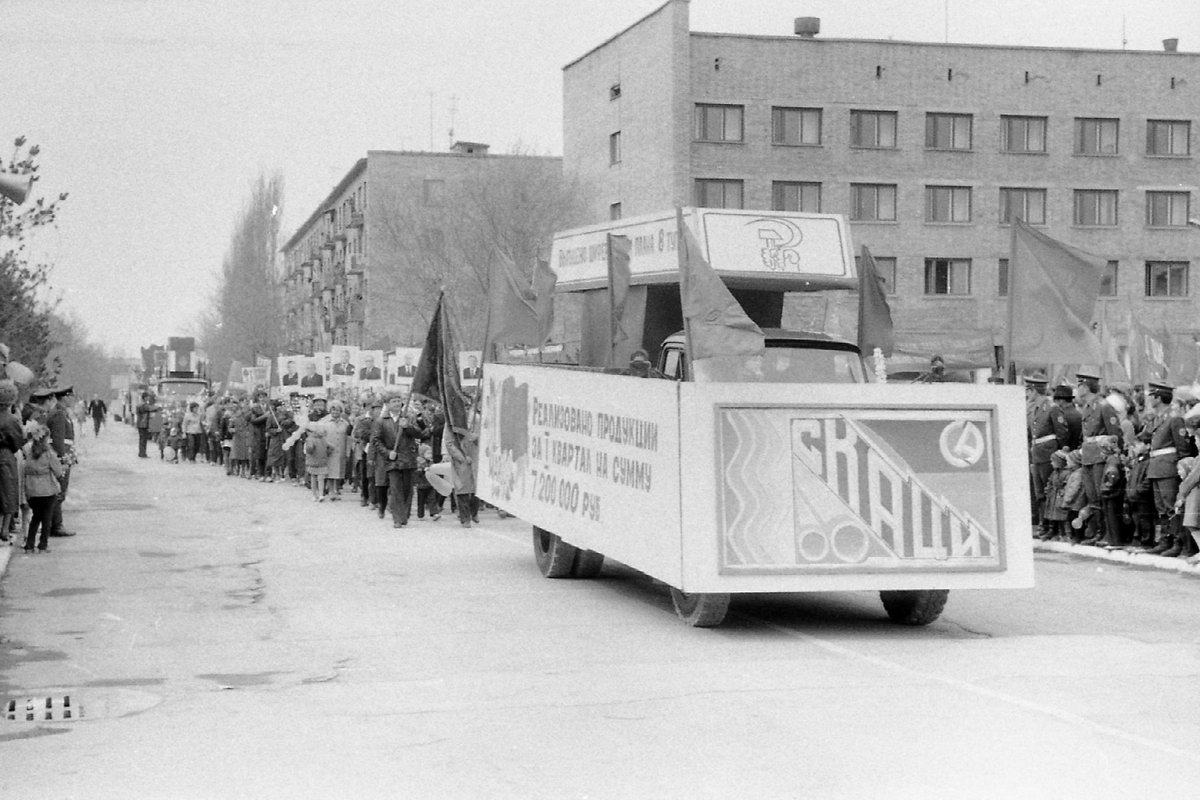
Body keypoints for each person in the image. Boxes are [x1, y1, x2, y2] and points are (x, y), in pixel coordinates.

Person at [1139, 382, 1195, 556]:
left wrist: (1182, 467)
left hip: (1168, 467)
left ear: (1158, 397)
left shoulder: (1174, 417)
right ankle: (1165, 540)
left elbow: (1183, 447)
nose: (1149, 399)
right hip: (1157, 466)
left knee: (1171, 506)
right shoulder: (1158, 417)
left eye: (1151, 396)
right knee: (1161, 507)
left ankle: (1177, 542)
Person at [1074, 369, 1123, 545]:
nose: (1078, 389)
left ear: (1086, 387)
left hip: (1101, 456)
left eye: (1080, 385)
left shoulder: (1103, 406)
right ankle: (1098, 531)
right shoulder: (1087, 407)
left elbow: (1115, 433)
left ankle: (1106, 533)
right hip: (1088, 454)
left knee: (1101, 495)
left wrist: (1114, 455)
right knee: (1092, 496)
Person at [371, 394, 429, 528]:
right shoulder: (381, 421)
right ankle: (397, 518)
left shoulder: (408, 418)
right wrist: (387, 452)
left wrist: (408, 427)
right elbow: (376, 440)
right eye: (394, 401)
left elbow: (421, 434)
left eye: (399, 401)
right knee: (395, 488)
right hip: (392, 461)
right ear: (388, 404)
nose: (397, 403)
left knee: (407, 490)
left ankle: (405, 515)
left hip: (408, 459)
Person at [21, 421, 63, 553]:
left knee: (35, 517)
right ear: (46, 439)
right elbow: (58, 471)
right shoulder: (49, 454)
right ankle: (43, 545)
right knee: (46, 519)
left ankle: (29, 545)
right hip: (47, 490)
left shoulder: (28, 453)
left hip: (32, 490)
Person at [46, 386, 78, 538]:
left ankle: (53, 524)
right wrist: (63, 457)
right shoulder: (59, 414)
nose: (73, 399)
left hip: (63, 453)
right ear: (65, 397)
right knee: (59, 491)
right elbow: (58, 440)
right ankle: (56, 525)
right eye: (71, 396)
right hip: (61, 456)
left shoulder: (60, 412)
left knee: (58, 491)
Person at [0, 382, 24, 544]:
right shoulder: (11, 419)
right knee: (8, 491)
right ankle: (5, 528)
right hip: (5, 455)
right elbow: (17, 442)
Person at [321, 399, 352, 500]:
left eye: (337, 410)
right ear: (330, 411)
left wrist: (347, 452)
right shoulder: (325, 423)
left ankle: (336, 489)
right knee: (330, 471)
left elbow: (348, 439)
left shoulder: (345, 424)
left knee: (339, 471)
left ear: (341, 411)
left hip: (341, 450)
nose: (335, 412)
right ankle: (331, 491)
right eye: (333, 410)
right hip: (329, 451)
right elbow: (322, 437)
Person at [303, 426, 331, 501]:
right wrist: (327, 453)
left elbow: (310, 449)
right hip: (322, 460)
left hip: (313, 461)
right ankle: (321, 494)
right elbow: (330, 446)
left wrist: (307, 449)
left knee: (313, 478)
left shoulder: (310, 439)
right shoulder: (323, 438)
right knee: (321, 478)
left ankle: (314, 495)